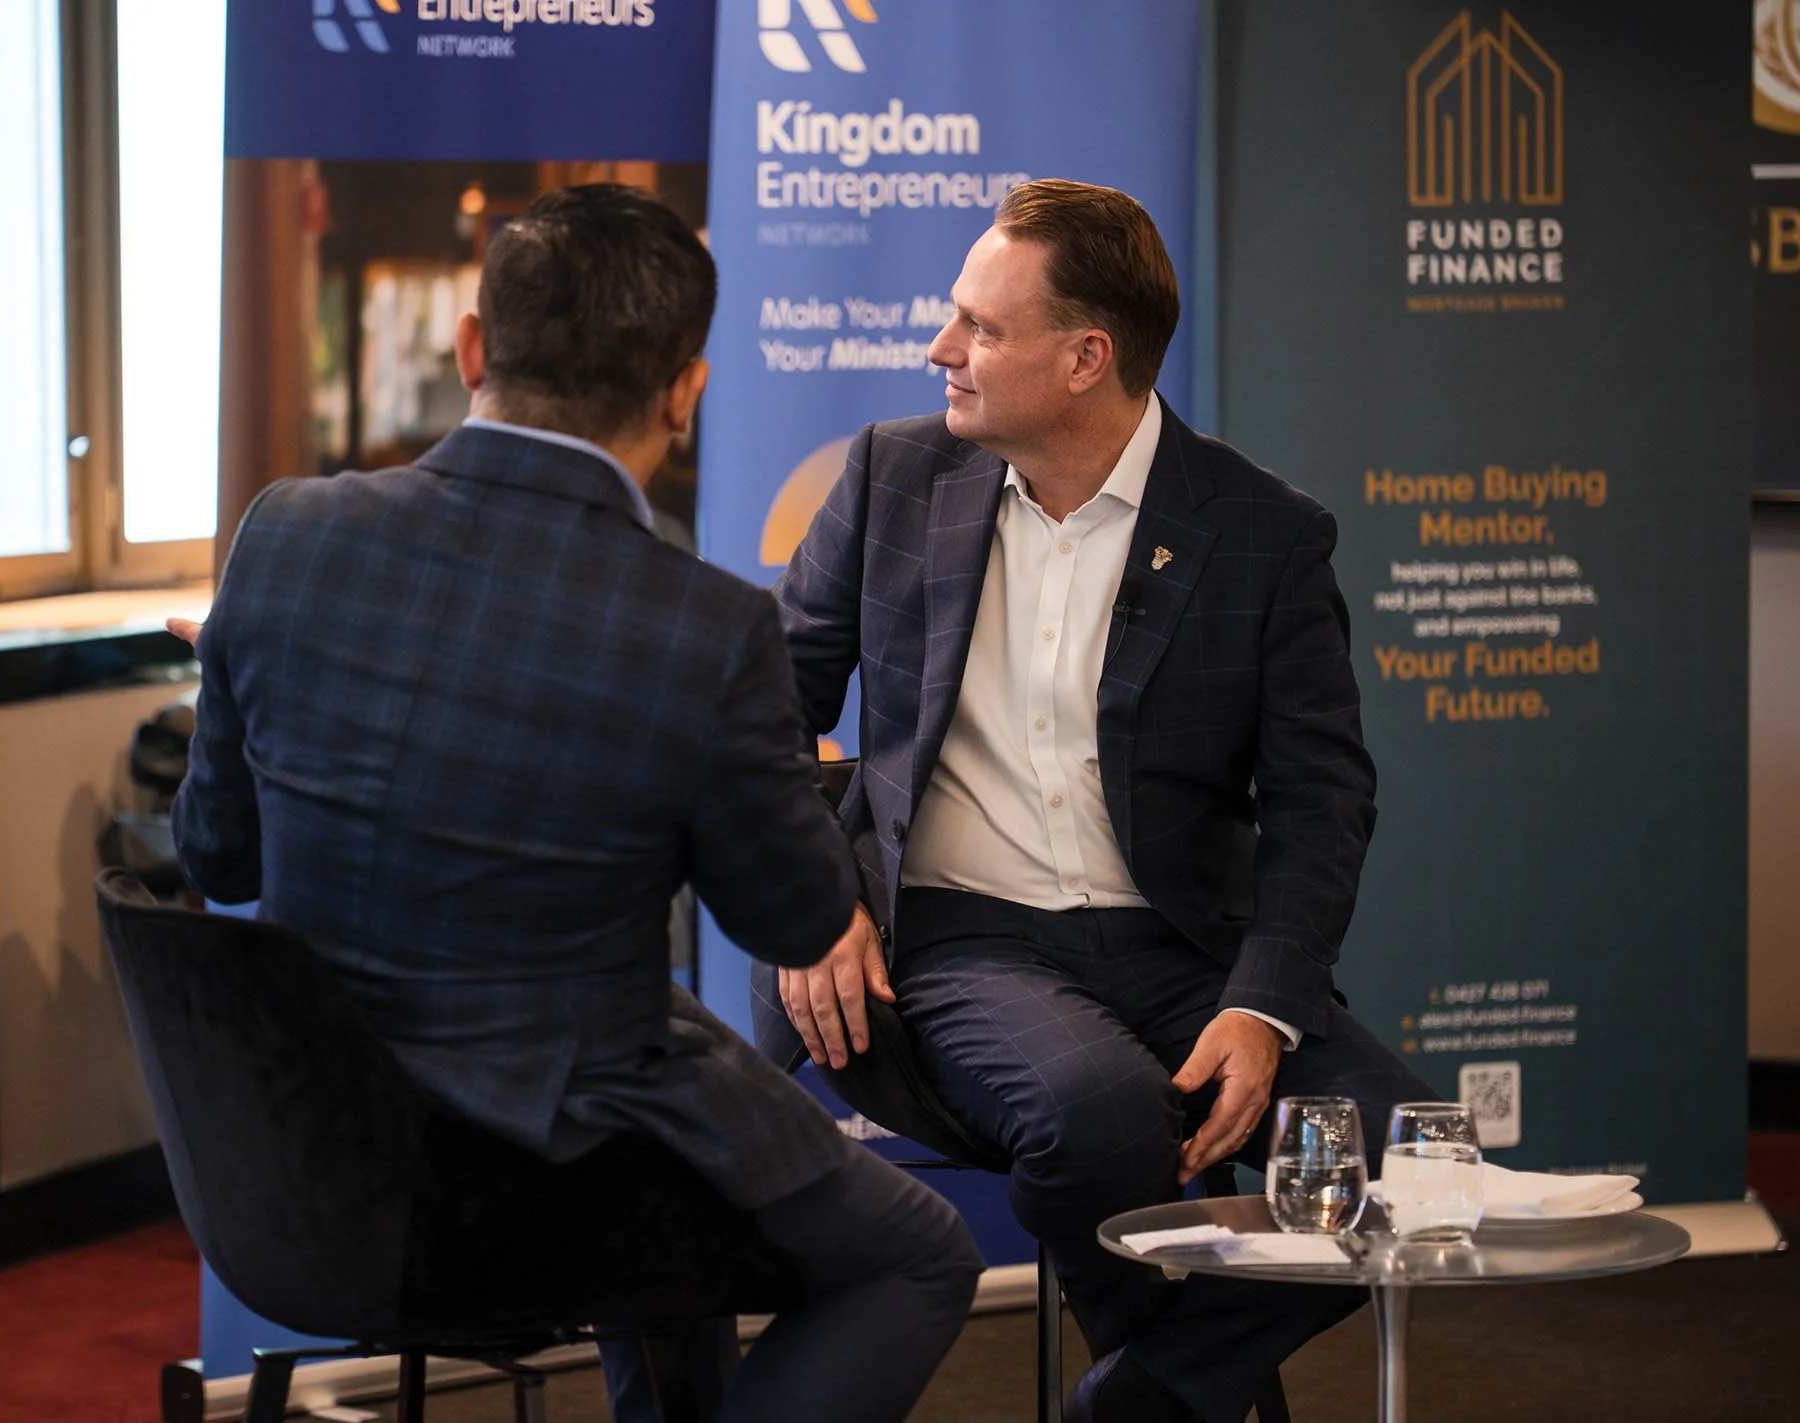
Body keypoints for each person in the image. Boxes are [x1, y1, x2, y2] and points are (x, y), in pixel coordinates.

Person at [172, 183, 981, 1423]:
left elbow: (215, 856)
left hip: (303, 1161)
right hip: (558, 1169)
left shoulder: (283, 533)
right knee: (920, 1257)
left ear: (473, 347)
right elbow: (794, 918)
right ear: (685, 391)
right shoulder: (706, 629)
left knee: (677, 1173)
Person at [758, 179, 1433, 1423]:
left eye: (979, 327)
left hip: (1183, 946)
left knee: (1412, 1155)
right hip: (967, 941)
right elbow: (757, 717)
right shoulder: (889, 478)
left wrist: (1266, 1008)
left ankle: (1134, 1401)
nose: (940, 349)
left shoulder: (1261, 532)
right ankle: (1192, 1398)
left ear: (1085, 358)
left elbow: (1320, 796)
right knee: (1102, 1116)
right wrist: (810, 904)